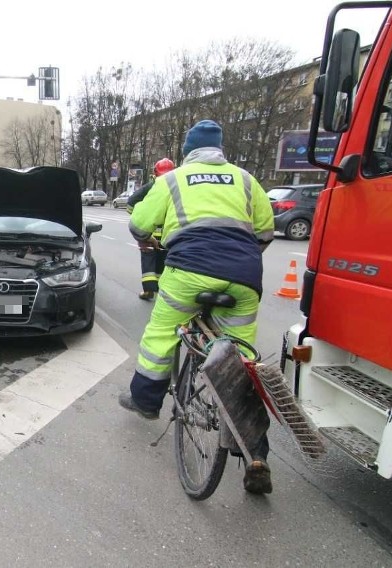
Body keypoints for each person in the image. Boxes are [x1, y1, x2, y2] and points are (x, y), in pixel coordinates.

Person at [118, 120, 276, 495]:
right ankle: (255, 451)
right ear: (220, 150)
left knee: (159, 336)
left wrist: (153, 239)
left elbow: (139, 224)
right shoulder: (245, 179)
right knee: (240, 361)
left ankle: (146, 400)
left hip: (189, 271)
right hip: (243, 276)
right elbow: (265, 232)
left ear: (189, 150)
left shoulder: (173, 179)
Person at [127, 158, 176, 300]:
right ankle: (161, 292)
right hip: (168, 234)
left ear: (155, 172)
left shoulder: (151, 186)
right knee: (162, 261)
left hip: (149, 233)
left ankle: (149, 292)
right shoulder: (177, 187)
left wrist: (142, 216)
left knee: (148, 260)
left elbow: (130, 204)